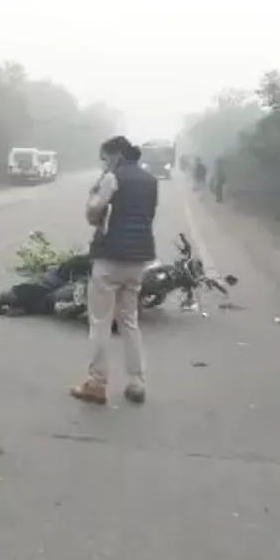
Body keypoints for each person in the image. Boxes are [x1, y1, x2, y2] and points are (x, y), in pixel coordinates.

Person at [71, 135, 157, 405]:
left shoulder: (111, 178)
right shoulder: (150, 180)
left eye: (106, 158)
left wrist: (95, 193)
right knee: (129, 320)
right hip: (138, 260)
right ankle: (137, 381)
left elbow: (93, 213)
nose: (105, 163)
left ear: (116, 155)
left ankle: (97, 383)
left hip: (109, 259)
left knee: (100, 321)